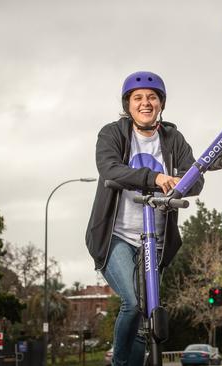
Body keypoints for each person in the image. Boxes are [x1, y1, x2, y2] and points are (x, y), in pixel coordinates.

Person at [85, 71, 203, 366]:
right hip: (118, 236)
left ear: (161, 103)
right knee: (133, 302)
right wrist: (156, 177)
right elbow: (110, 169)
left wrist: (182, 183)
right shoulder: (112, 133)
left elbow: (196, 179)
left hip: (156, 240)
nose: (145, 103)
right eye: (138, 98)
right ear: (128, 105)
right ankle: (121, 364)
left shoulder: (173, 139)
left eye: (152, 97)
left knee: (147, 314)